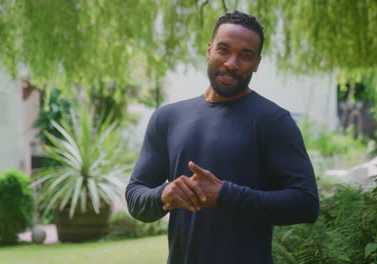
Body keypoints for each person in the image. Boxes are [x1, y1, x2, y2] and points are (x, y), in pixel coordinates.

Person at [125, 11, 319, 264]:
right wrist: (165, 194)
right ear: (209, 50)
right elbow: (135, 198)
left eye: (245, 56)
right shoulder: (167, 118)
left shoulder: (274, 121)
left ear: (257, 64)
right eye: (223, 49)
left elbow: (306, 203)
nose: (231, 63)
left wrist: (225, 194)